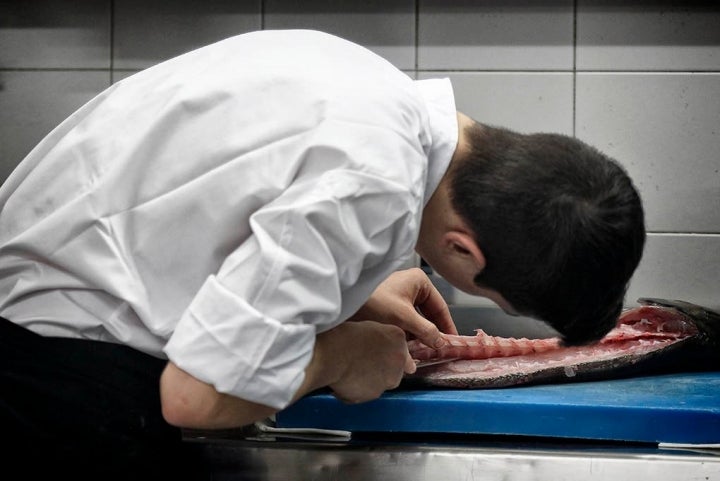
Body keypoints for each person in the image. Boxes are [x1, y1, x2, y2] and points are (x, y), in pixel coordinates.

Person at [0, 29, 645, 472]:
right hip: (62, 386)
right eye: (486, 293)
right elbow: (194, 399)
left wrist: (352, 292)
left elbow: (210, 220)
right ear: (463, 251)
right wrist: (341, 356)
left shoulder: (372, 91)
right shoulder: (371, 184)